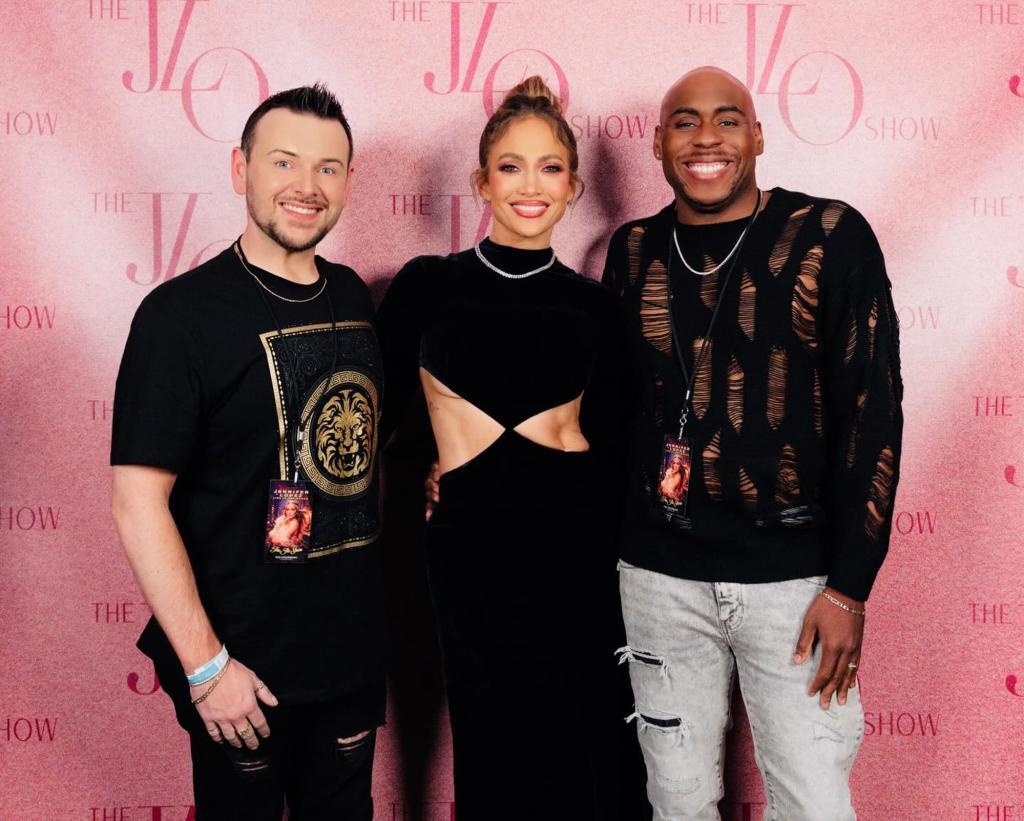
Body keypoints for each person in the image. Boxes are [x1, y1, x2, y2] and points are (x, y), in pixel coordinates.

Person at [603, 66, 903, 819]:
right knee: (678, 802)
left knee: (813, 802)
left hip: (796, 586)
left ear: (759, 136)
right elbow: (611, 413)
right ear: (657, 143)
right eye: (685, 121)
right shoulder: (633, 250)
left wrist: (849, 587)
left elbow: (872, 412)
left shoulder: (829, 236)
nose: (706, 138)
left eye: (727, 119)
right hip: (659, 580)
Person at [111, 84, 384, 820]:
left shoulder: (354, 297)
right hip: (241, 669)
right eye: (284, 161)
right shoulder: (179, 316)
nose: (306, 185)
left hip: (349, 660)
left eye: (328, 167)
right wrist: (206, 667)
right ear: (241, 169)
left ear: (348, 181)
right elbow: (137, 503)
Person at [376, 76, 641, 820]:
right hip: (467, 548)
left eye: (550, 168)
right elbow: (375, 419)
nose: (531, 186)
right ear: (481, 182)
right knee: (488, 746)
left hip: (577, 545)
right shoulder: (427, 286)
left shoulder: (597, 306)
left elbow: (622, 443)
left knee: (578, 746)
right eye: (511, 166)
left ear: (574, 186)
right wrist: (423, 468)